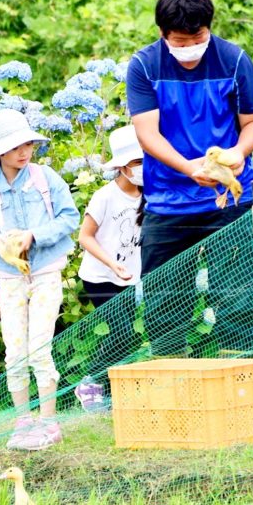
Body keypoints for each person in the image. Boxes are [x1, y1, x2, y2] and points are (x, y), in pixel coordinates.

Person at [126, 0, 253, 355]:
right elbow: (146, 133)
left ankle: (241, 391)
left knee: (239, 303)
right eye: (179, 41)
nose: (189, 47)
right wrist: (189, 169)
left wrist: (238, 151)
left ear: (209, 29)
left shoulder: (234, 61)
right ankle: (175, 395)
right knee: (163, 304)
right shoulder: (144, 65)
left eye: (197, 38)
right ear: (162, 34)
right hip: (168, 203)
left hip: (230, 202)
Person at [0, 109, 80, 451]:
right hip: (10, 276)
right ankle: (23, 422)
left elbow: (69, 217)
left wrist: (35, 236)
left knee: (39, 348)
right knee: (15, 350)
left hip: (46, 272)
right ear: (0, 152)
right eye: (16, 146)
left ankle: (49, 422)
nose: (24, 151)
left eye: (28, 143)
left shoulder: (45, 178)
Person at [75, 124, 145, 407]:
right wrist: (112, 265)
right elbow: (85, 237)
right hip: (101, 276)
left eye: (146, 161)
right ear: (122, 167)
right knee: (122, 330)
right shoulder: (105, 196)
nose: (143, 168)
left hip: (130, 277)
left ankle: (111, 389)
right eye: (137, 162)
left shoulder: (150, 194)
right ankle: (90, 383)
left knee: (127, 335)